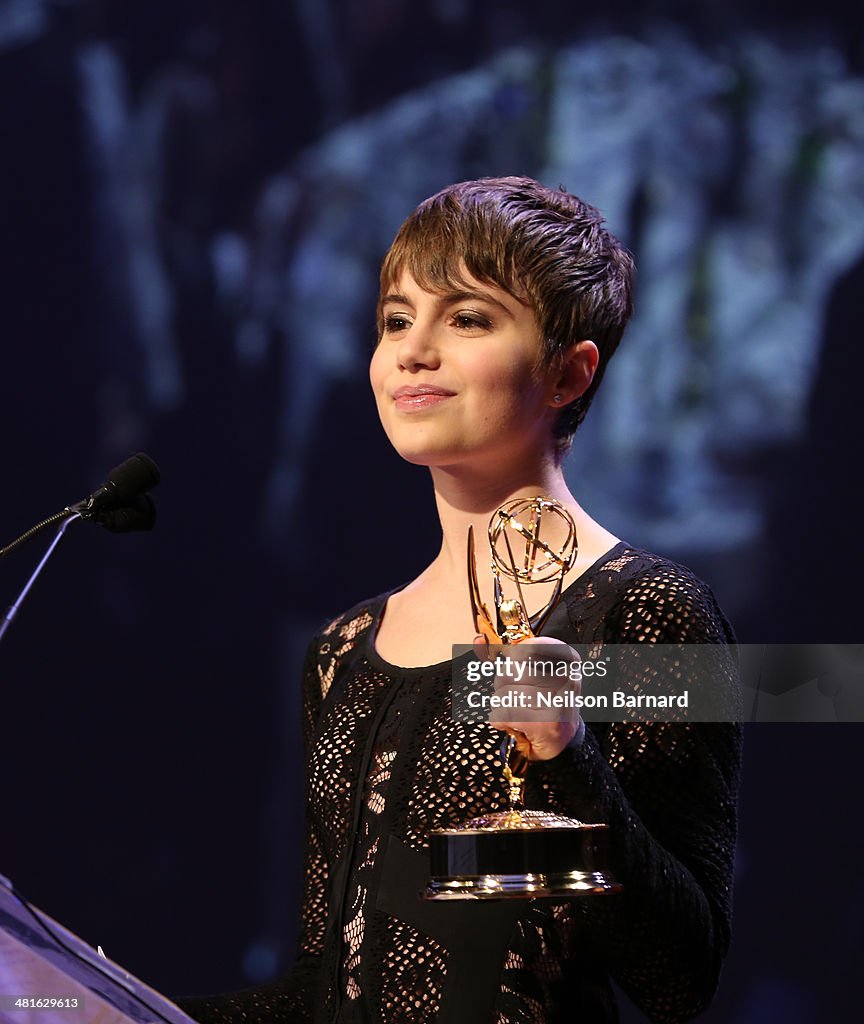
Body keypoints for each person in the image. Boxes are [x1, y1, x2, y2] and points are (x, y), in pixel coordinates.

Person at [179, 177, 741, 1023]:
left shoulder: (652, 613)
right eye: (397, 321)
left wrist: (567, 754)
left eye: (468, 319)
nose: (413, 351)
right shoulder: (343, 649)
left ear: (568, 372)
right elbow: (322, 989)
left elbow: (679, 978)